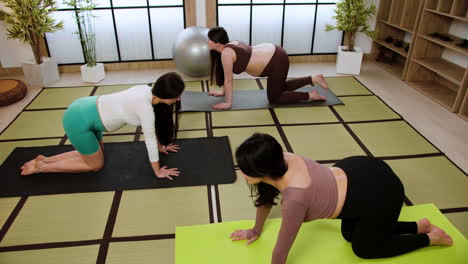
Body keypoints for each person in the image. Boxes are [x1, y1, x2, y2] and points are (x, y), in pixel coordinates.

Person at [230, 133, 453, 263]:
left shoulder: (295, 198)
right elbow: (266, 198)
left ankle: (431, 238)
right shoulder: (281, 159)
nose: (241, 172)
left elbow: (282, 247)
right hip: (356, 169)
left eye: (245, 169)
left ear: (262, 172)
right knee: (350, 234)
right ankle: (418, 226)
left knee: (364, 250)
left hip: (380, 190)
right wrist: (255, 230)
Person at [20, 72, 185, 180]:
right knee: (94, 165)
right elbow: (148, 139)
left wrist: (160, 146)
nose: (178, 100)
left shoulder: (147, 90)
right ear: (166, 95)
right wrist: (157, 172)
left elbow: (152, 127)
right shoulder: (145, 108)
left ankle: (45, 159)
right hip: (78, 119)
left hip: (88, 107)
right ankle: (43, 168)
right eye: (177, 96)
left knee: (95, 154)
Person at [207, 26, 328, 110]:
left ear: (218, 43)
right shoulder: (230, 45)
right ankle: (313, 79)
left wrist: (228, 103)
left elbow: (229, 80)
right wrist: (222, 91)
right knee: (280, 88)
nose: (207, 41)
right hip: (274, 53)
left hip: (276, 60)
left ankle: (310, 95)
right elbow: (225, 73)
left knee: (275, 98)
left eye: (210, 39)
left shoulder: (226, 53)